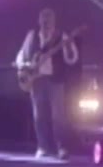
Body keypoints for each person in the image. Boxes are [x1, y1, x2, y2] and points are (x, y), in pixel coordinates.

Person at [15, 8, 79, 159]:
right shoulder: (31, 36)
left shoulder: (61, 37)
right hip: (37, 81)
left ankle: (61, 147)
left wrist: (68, 46)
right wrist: (24, 66)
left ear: (54, 21)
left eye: (49, 19)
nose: (46, 22)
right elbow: (21, 55)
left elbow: (72, 59)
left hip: (55, 80)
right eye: (43, 19)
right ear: (39, 21)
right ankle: (43, 147)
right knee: (39, 115)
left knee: (58, 116)